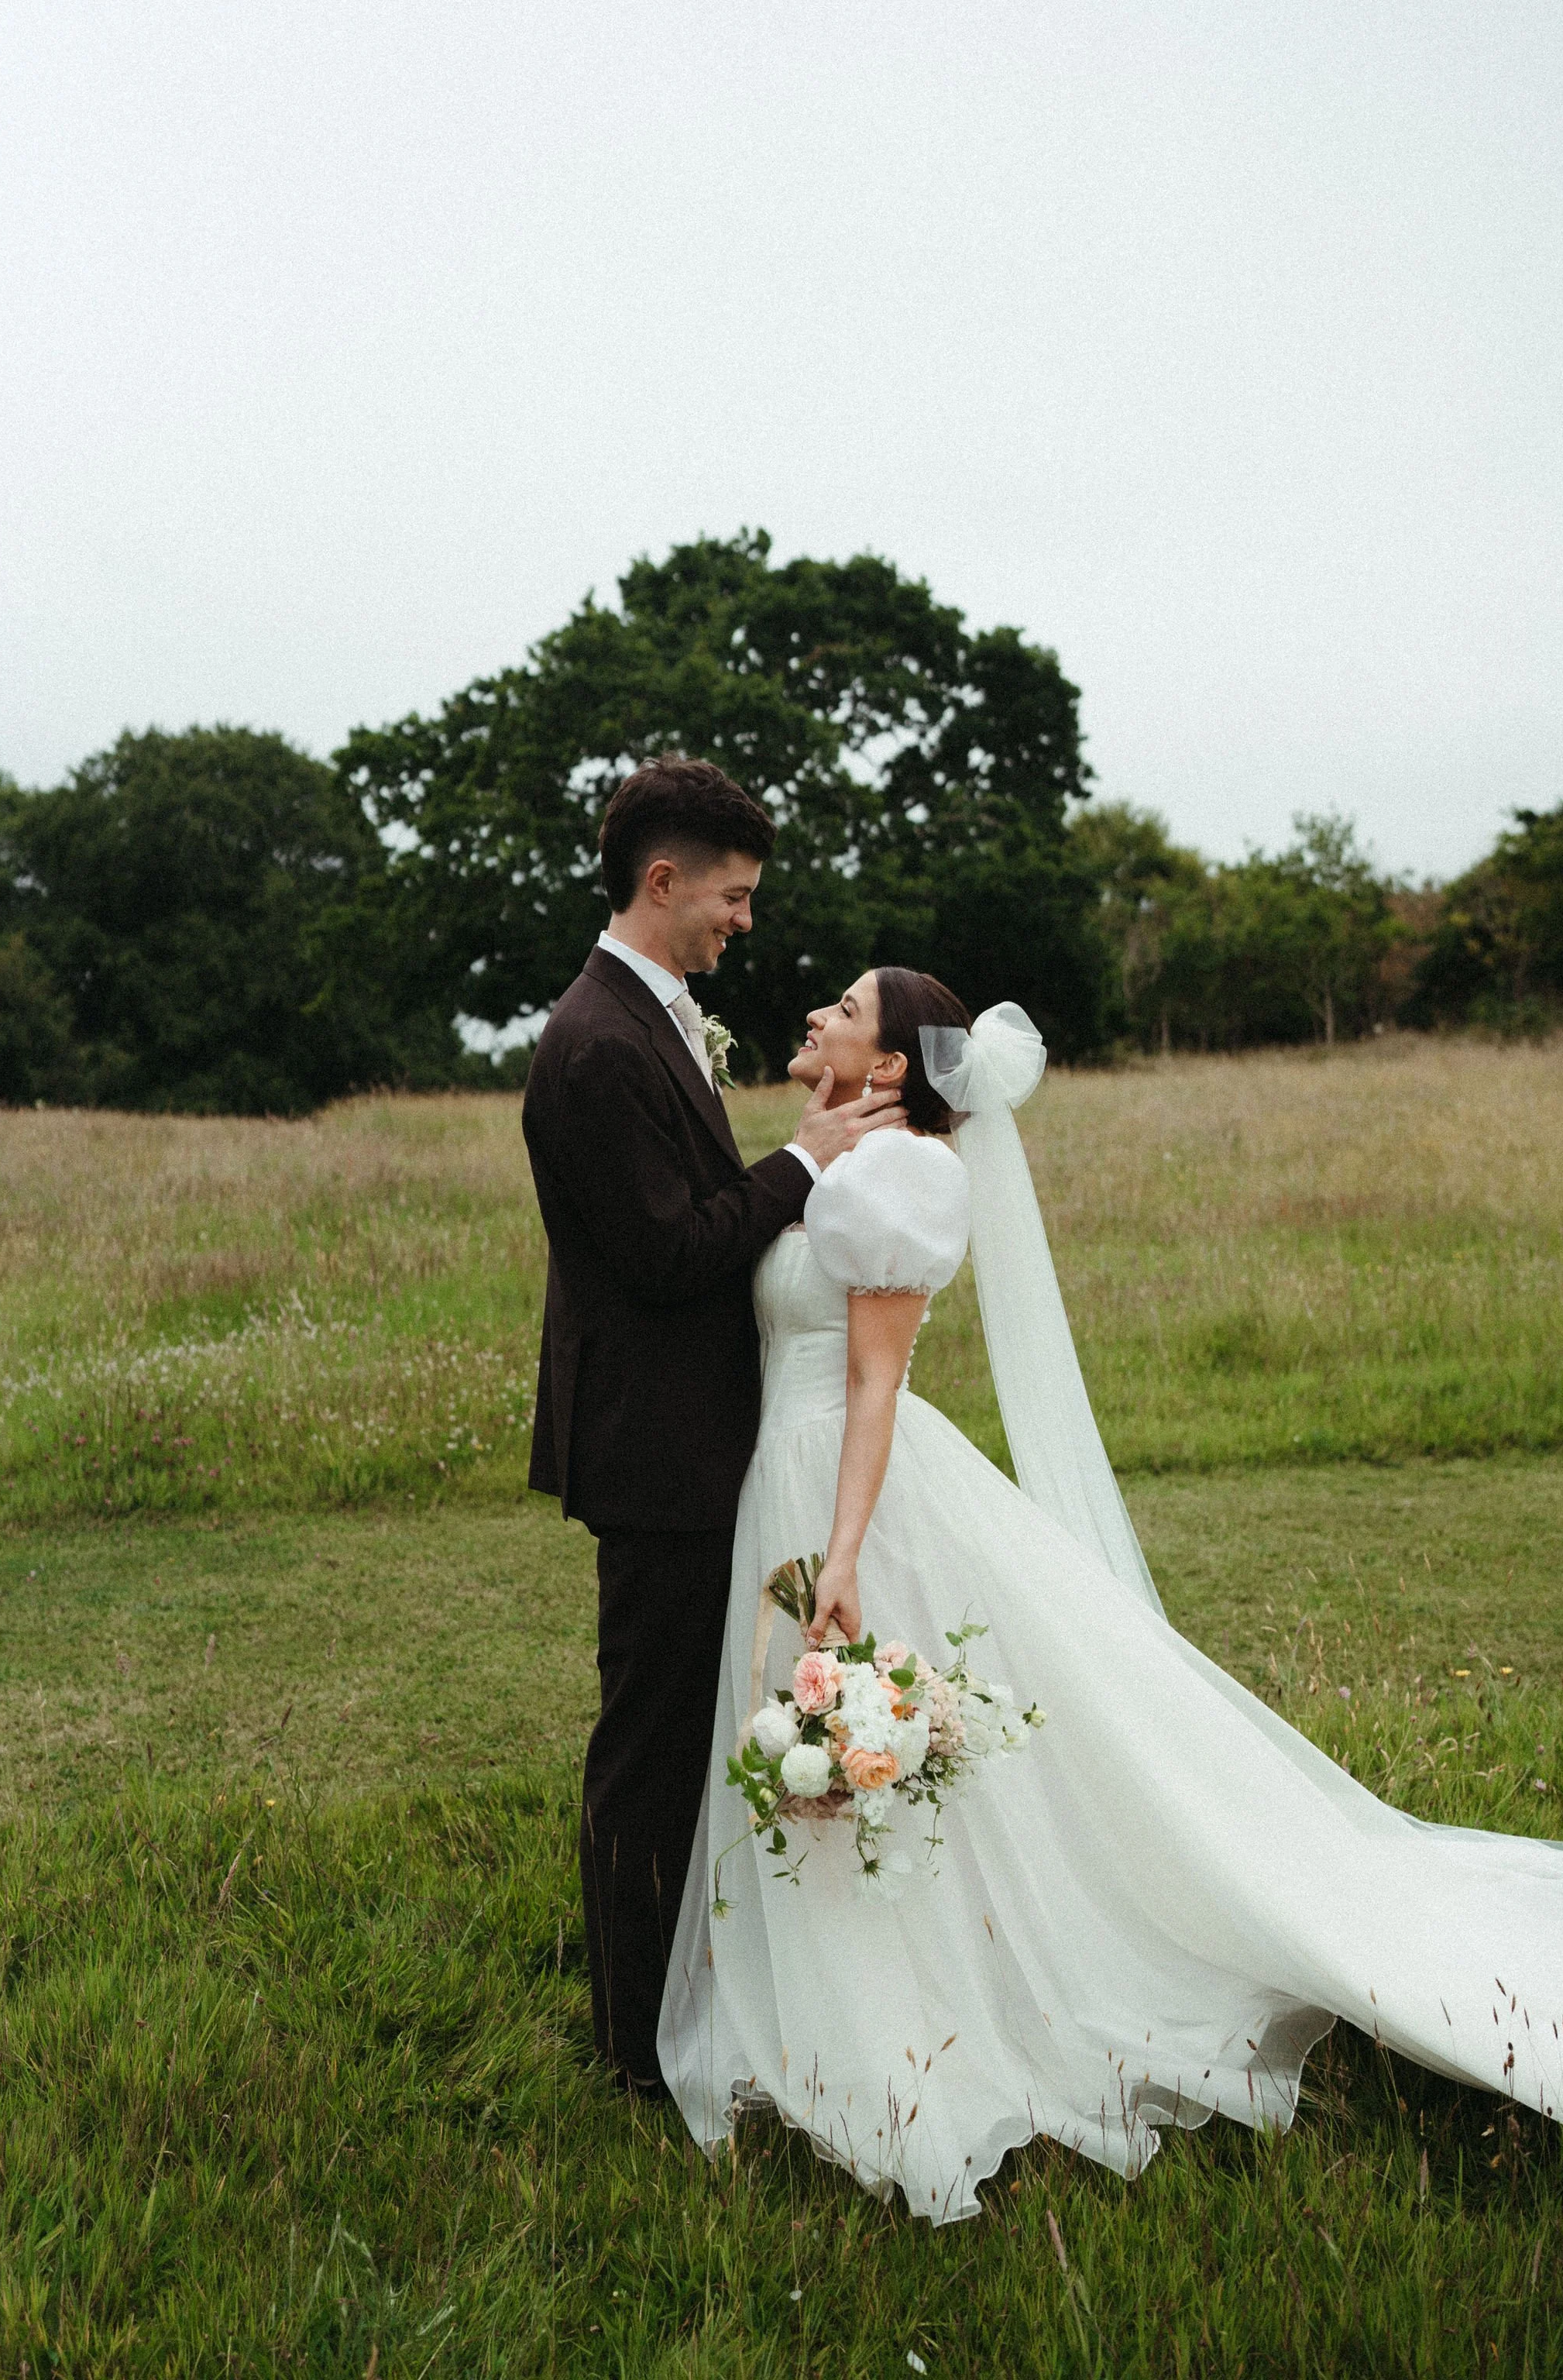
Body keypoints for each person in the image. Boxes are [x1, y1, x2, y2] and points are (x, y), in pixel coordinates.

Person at [658, 968, 1563, 2222]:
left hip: (849, 1488)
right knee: (834, 1745)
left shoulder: (907, 1174)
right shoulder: (840, 1160)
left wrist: (848, 1549)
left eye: (844, 1007)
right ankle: (845, 1992)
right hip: (793, 1471)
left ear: (886, 1068)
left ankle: (930, 2007)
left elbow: (873, 1381)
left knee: (876, 1735)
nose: (813, 1011)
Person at [522, 754, 904, 2093]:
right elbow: (674, 1256)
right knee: (650, 1741)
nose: (746, 921)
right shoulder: (592, 1045)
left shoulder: (654, 1016)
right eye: (732, 897)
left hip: (692, 1437)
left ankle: (681, 1978)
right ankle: (633, 2043)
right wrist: (803, 1163)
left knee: (685, 1725)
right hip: (655, 1445)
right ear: (663, 881)